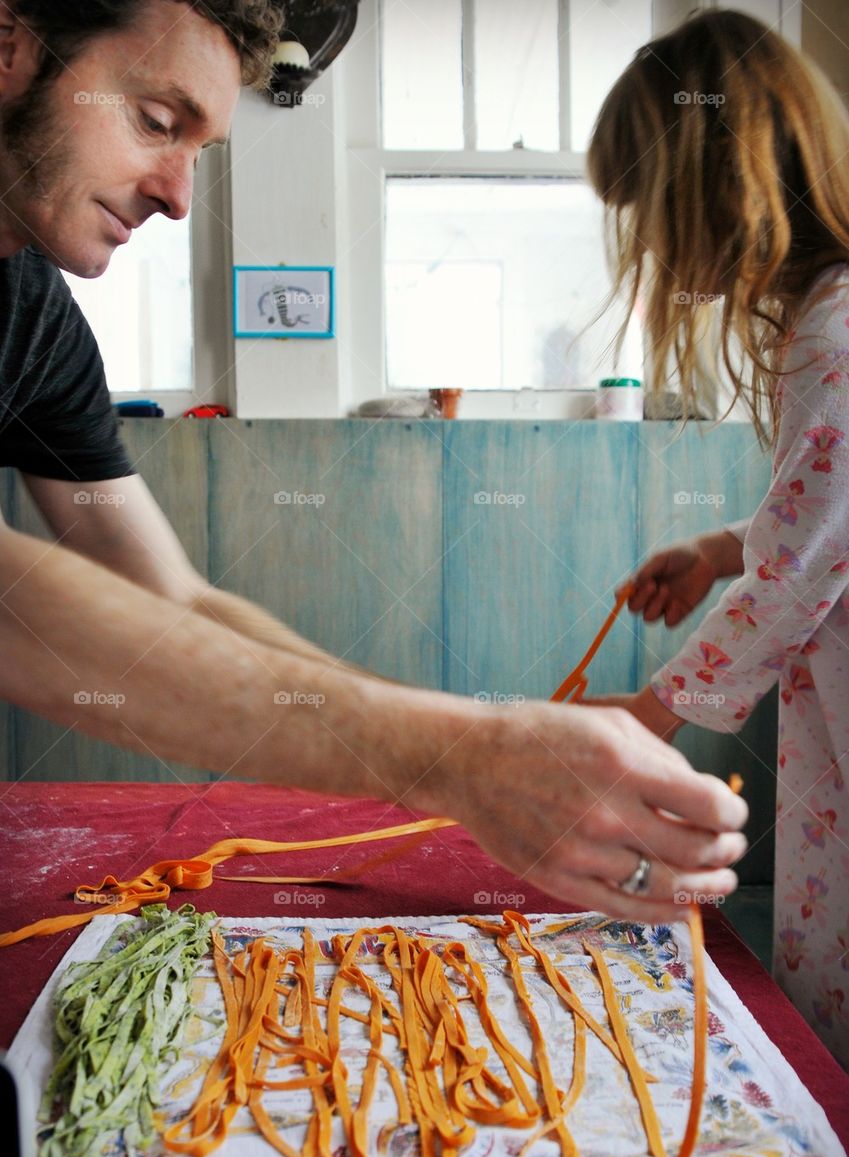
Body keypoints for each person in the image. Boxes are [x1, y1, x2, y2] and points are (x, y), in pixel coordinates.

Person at [0, 0, 747, 925]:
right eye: (156, 122)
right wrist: (456, 757)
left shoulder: (36, 325)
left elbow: (172, 601)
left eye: (201, 150)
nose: (180, 196)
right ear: (11, 45)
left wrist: (475, 743)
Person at [586, 9, 849, 1067]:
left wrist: (649, 717)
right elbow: (817, 514)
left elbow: (806, 563)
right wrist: (715, 544)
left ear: (718, 191)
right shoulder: (822, 318)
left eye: (652, 211)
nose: (650, 244)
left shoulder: (838, 326)